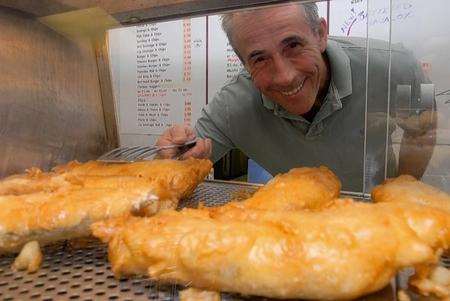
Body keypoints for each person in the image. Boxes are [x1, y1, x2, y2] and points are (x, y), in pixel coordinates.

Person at [156, 2, 436, 191]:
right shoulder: (232, 105)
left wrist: (401, 190)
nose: (285, 76)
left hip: (374, 215)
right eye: (259, 58)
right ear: (244, 63)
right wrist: (176, 155)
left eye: (293, 45)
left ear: (320, 33)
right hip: (294, 232)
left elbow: (426, 127)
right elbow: (180, 167)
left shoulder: (399, 64)